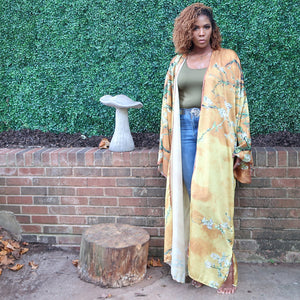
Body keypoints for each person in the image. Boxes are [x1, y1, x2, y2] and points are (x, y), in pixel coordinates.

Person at [158, 3, 252, 295]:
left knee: (215, 202)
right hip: (184, 133)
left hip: (216, 138)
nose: (201, 33)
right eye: (195, 27)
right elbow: (167, 108)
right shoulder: (177, 63)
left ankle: (225, 268)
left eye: (206, 27)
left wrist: (241, 145)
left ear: (214, 29)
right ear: (187, 30)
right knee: (192, 200)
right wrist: (166, 148)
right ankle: (198, 265)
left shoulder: (228, 59)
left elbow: (240, 104)